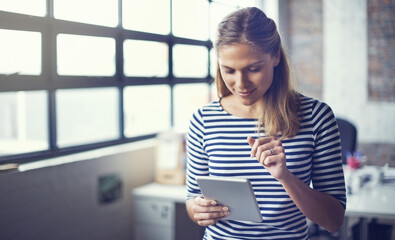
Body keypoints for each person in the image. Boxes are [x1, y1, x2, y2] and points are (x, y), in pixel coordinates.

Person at [185, 7, 346, 240]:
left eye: (253, 69)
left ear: (276, 57)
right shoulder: (203, 120)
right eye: (229, 70)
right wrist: (198, 210)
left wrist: (285, 177)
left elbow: (334, 220)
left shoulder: (317, 117)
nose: (241, 83)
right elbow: (192, 199)